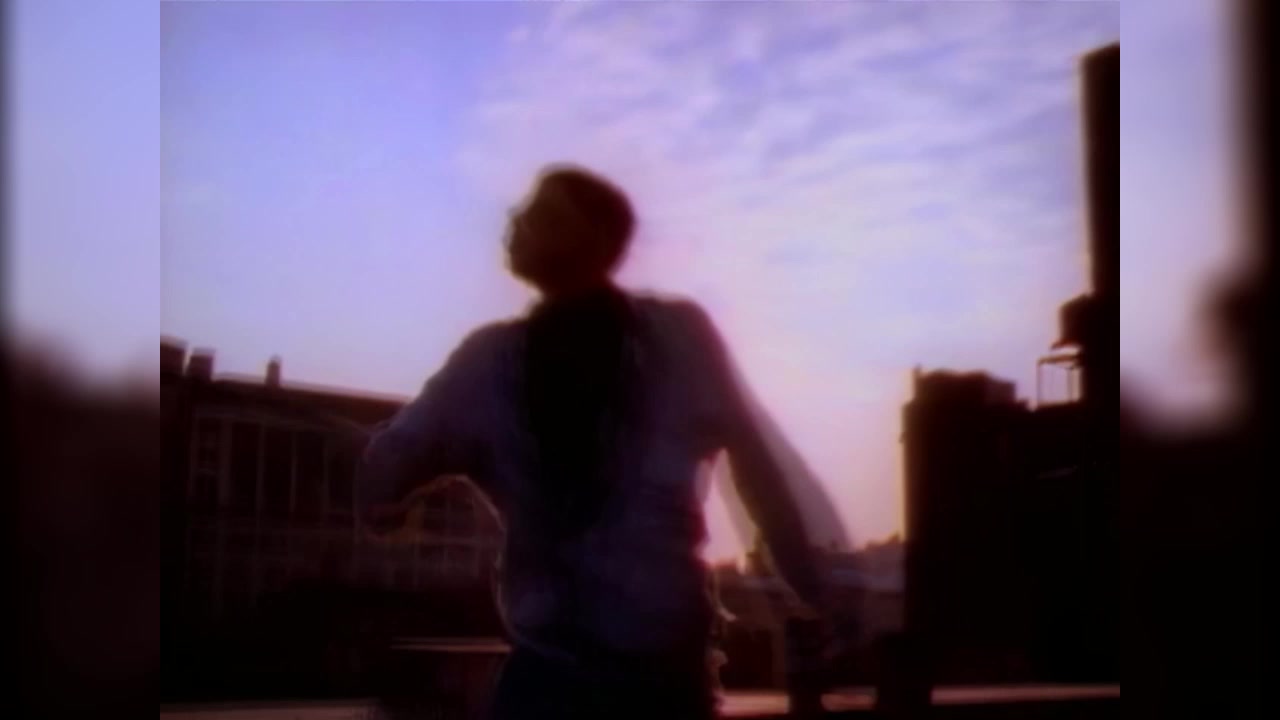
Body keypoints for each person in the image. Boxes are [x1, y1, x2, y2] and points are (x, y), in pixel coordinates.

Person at [358, 164, 834, 719]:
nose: (517, 219)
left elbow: (382, 479)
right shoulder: (672, 338)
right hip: (642, 682)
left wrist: (402, 491)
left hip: (578, 685)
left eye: (544, 213)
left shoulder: (489, 366)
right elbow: (761, 475)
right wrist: (814, 593)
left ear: (599, 240)